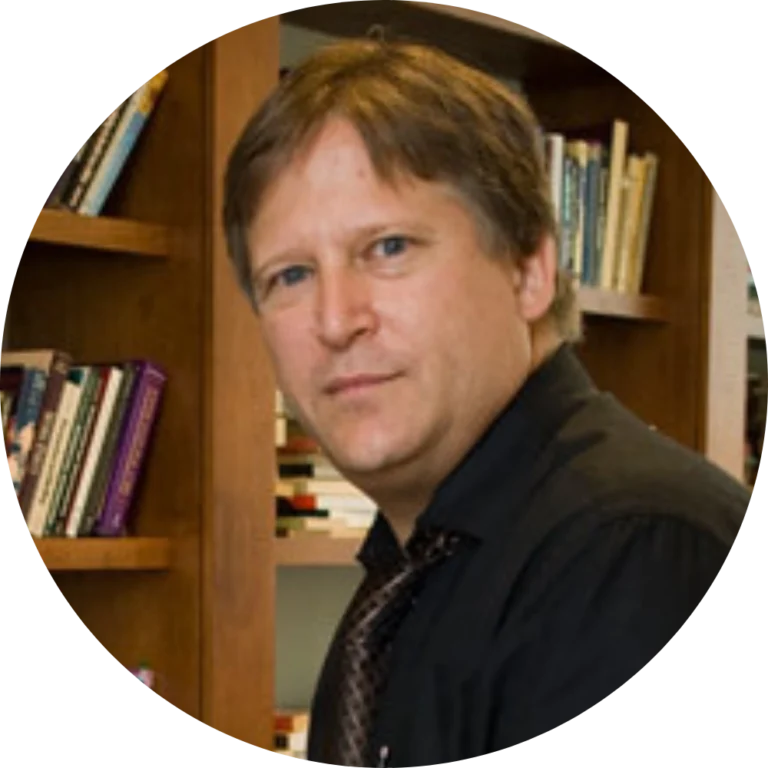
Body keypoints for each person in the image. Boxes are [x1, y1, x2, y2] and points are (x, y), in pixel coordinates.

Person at [222, 36, 750, 764]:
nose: (336, 319)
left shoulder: (637, 554)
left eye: (389, 247)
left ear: (529, 269)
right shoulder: (406, 576)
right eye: (290, 276)